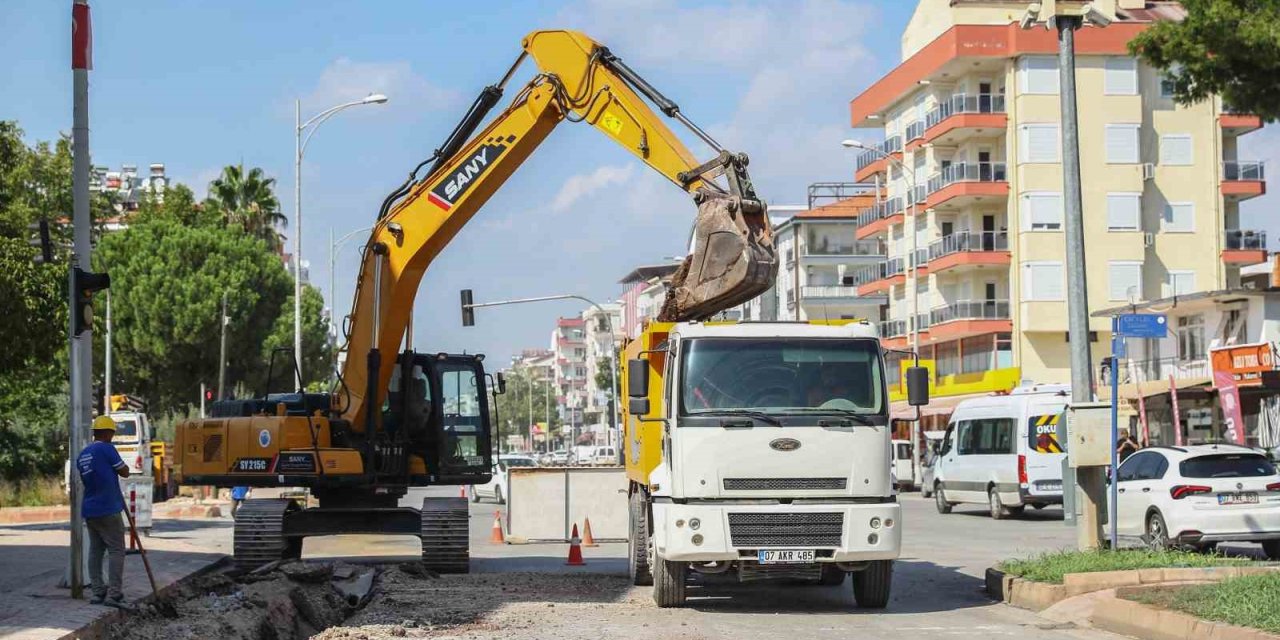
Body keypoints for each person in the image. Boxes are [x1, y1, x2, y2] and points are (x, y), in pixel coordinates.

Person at [76, 415, 131, 608]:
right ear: (108, 433)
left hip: (90, 509)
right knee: (117, 550)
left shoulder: (82, 455)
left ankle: (98, 592)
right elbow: (124, 471)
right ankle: (114, 594)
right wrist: (125, 469)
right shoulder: (107, 448)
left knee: (96, 551)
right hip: (108, 507)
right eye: (112, 433)